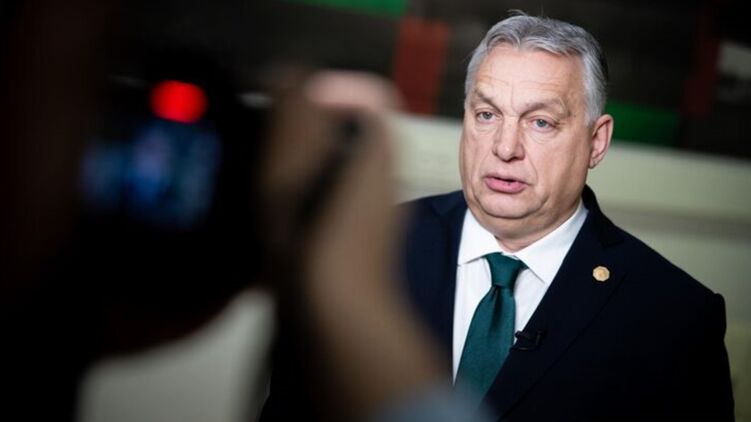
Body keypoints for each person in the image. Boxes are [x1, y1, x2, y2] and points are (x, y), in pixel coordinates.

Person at [399, 11, 735, 422]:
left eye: (541, 122)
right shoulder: (372, 243)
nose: (505, 147)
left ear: (597, 142)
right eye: (487, 114)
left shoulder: (676, 316)